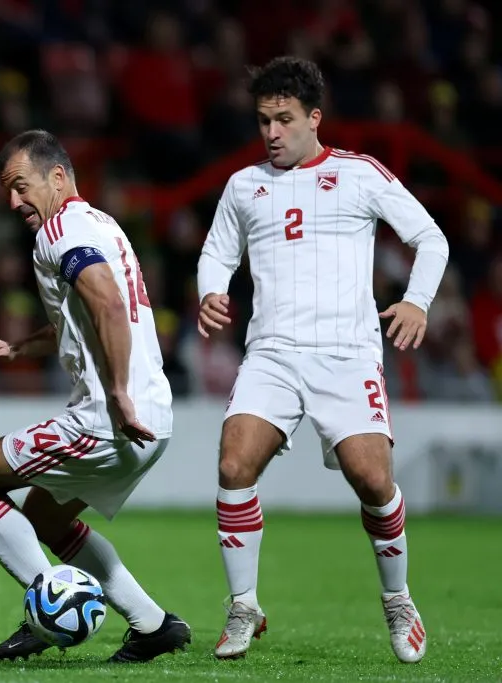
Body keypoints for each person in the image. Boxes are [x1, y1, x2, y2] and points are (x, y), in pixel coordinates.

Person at [197, 56, 448, 662]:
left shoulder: (360, 175)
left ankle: (397, 599)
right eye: (263, 120)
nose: (272, 132)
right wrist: (210, 291)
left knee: (373, 479)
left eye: (284, 119)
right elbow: (215, 254)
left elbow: (431, 238)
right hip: (273, 355)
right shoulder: (243, 186)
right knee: (234, 465)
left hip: (345, 354)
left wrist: (416, 302)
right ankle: (243, 605)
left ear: (314, 118)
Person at [0, 130, 191, 663]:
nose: (13, 202)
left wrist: (119, 395)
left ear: (57, 177)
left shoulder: (58, 231)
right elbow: (83, 314)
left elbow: (106, 304)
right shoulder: (100, 223)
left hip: (109, 419)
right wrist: (17, 346)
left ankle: (51, 609)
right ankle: (153, 626)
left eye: (20, 186)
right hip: (153, 416)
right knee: (46, 517)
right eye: (7, 191)